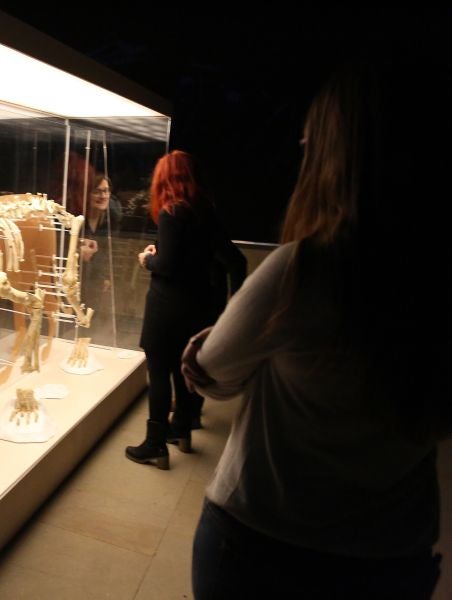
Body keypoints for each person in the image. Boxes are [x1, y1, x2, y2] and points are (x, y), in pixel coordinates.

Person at [181, 52, 451, 598]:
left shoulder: (303, 272)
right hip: (393, 554)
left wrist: (205, 351)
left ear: (338, 156)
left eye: (309, 146)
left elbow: (211, 374)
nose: (301, 158)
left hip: (265, 543)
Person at [126, 150, 245, 469]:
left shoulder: (171, 212)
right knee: (181, 368)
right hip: (198, 307)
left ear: (164, 179)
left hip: (166, 307)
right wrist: (234, 305)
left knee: (159, 371)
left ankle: (154, 445)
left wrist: (147, 259)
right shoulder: (205, 210)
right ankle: (181, 430)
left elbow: (166, 265)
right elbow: (236, 261)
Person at [78, 174, 122, 346]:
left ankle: (85, 350)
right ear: (87, 194)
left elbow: (111, 249)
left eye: (106, 191)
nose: (103, 196)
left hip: (96, 278)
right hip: (76, 277)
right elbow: (61, 243)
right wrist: (77, 251)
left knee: (93, 319)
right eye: (97, 191)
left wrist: (107, 276)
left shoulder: (111, 218)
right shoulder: (77, 217)